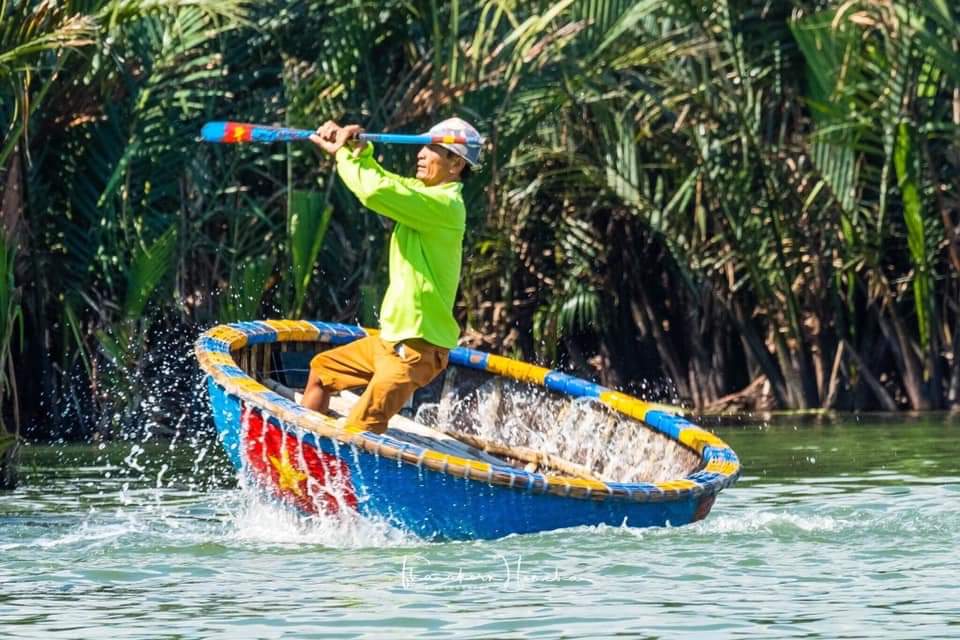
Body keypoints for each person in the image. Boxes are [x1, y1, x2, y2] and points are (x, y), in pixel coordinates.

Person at [301, 117, 481, 434]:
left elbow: (374, 192)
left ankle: (346, 476)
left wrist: (343, 153)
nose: (421, 154)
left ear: (455, 164)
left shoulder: (445, 205)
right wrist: (361, 150)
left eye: (432, 148)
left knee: (360, 431)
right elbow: (384, 180)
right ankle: (300, 458)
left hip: (415, 352)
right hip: (389, 343)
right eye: (422, 146)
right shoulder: (423, 193)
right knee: (321, 371)